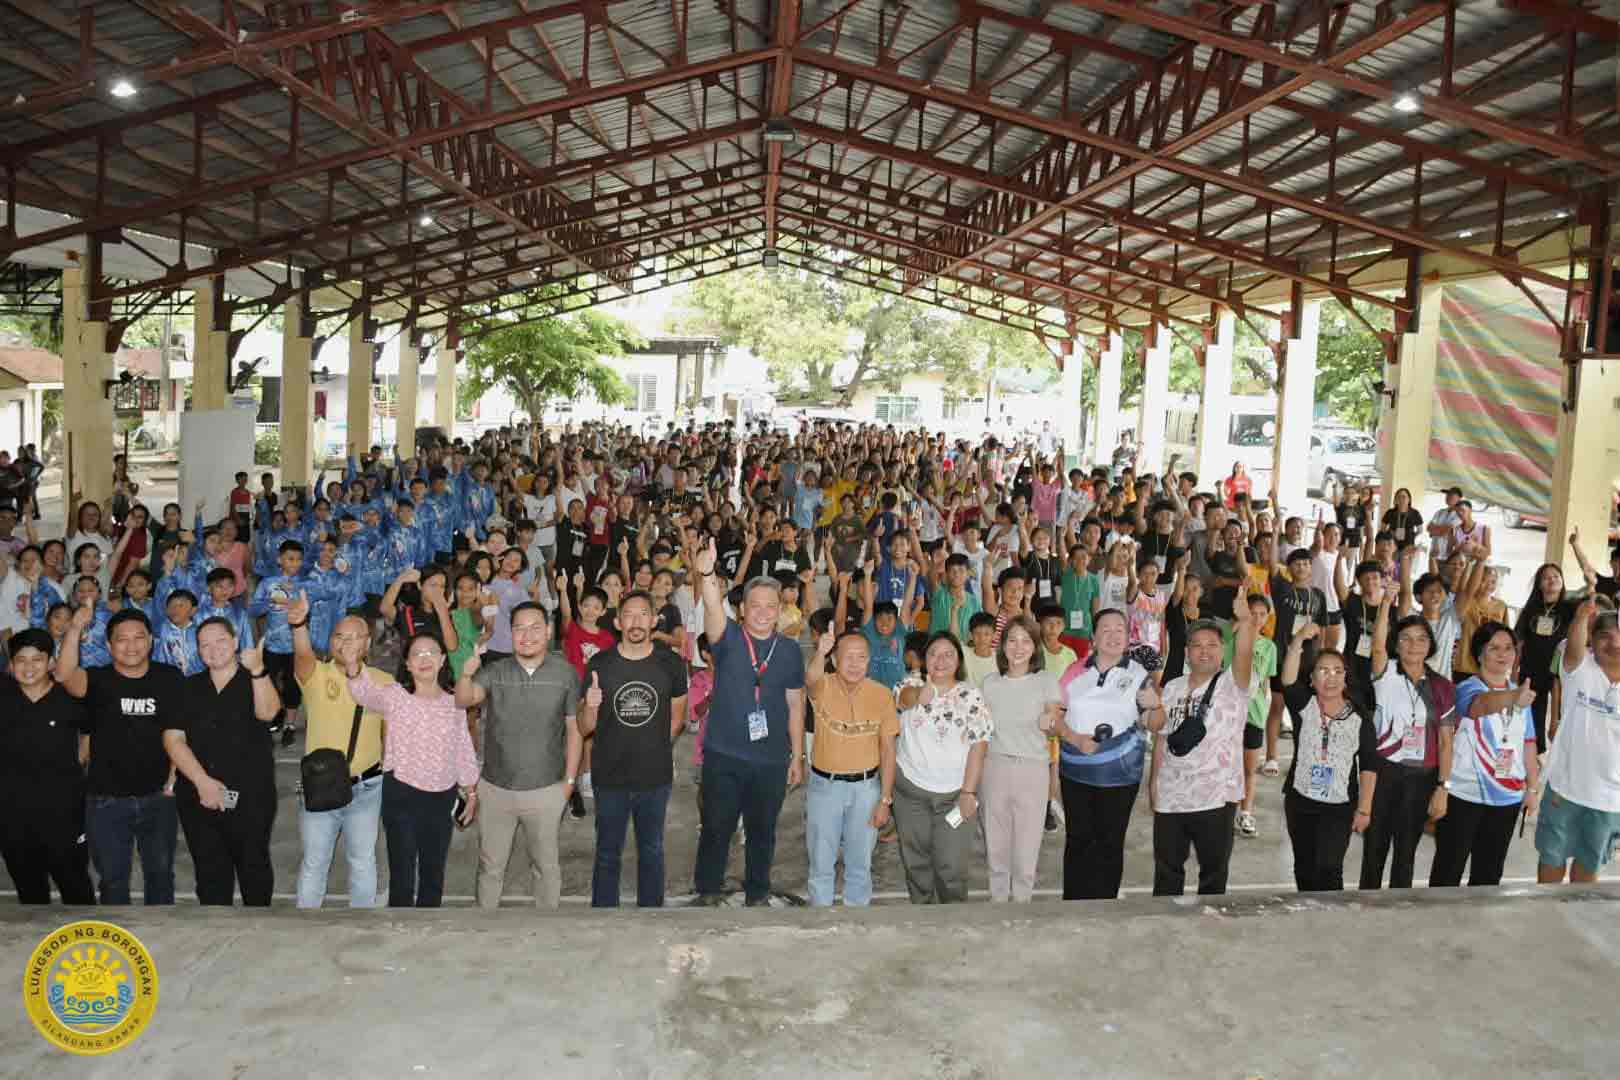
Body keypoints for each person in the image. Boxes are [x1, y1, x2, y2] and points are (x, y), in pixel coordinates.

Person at [691, 538, 806, 907]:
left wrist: (798, 756)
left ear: (780, 610)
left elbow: (795, 703)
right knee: (716, 829)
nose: (762, 612)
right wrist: (708, 572)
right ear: (741, 609)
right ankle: (707, 892)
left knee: (763, 832)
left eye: (769, 606)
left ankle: (757, 894)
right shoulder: (726, 638)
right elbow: (711, 605)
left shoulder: (788, 650)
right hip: (724, 755)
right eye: (754, 605)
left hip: (771, 760)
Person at [454, 602, 582, 909]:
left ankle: (547, 934)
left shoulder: (565, 674)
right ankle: (484, 932)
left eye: (535, 627)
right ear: (510, 634)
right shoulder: (495, 672)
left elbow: (575, 729)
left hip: (547, 790)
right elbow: (464, 700)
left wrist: (569, 782)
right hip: (496, 790)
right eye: (519, 629)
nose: (527, 635)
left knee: (546, 868)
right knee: (490, 868)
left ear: (549, 631)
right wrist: (465, 675)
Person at [56, 607, 185, 905]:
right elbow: (63, 675)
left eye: (139, 637)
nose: (131, 646)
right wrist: (74, 628)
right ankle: (118, 946)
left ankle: (158, 942)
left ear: (151, 641)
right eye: (122, 639)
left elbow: (179, 731)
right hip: (106, 800)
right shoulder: (97, 679)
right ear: (109, 645)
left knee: (161, 876)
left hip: (158, 798)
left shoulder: (169, 677)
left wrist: (172, 780)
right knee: (113, 881)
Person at [349, 631, 480, 908]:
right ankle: (399, 933)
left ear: (443, 659)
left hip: (442, 795)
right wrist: (353, 667)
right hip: (402, 793)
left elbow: (463, 746)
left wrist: (470, 790)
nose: (424, 659)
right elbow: (364, 694)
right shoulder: (396, 696)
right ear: (407, 664)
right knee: (402, 872)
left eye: (431, 652)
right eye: (416, 654)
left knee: (434, 871)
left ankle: (427, 935)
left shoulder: (454, 701)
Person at [580, 591, 688, 908]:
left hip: (654, 777)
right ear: (617, 622)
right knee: (607, 852)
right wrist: (591, 706)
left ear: (655, 620)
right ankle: (603, 916)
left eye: (643, 614)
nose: (636, 621)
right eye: (629, 614)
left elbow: (677, 717)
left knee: (652, 850)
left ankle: (651, 916)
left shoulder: (670, 663)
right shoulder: (601, 664)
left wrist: (651, 747)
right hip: (609, 776)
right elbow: (585, 727)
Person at [162, 617, 280, 905]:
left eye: (221, 641)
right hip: (199, 796)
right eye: (205, 645)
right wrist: (202, 782)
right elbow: (173, 739)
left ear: (236, 642)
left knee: (254, 868)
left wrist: (257, 671)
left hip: (250, 796)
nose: (213, 649)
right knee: (210, 872)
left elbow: (268, 713)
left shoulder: (255, 679)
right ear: (198, 651)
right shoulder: (187, 687)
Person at [1151, 583, 1258, 897]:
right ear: (1186, 653)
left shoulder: (1233, 685)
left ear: (1222, 650)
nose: (1204, 650)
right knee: (1167, 871)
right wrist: (1154, 784)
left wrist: (1247, 621)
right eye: (1197, 645)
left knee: (1213, 875)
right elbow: (1161, 738)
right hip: (1172, 792)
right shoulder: (1171, 688)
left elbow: (1245, 652)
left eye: (1212, 644)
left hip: (1216, 796)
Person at [287, 591, 389, 909]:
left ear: (367, 645)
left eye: (355, 637)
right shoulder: (317, 675)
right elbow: (303, 655)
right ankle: (307, 925)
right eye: (339, 636)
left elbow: (391, 735)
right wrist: (299, 624)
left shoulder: (384, 681)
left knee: (362, 860)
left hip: (368, 787)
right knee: (315, 862)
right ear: (331, 643)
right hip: (321, 786)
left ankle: (361, 929)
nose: (347, 643)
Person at [1055, 608, 1162, 899]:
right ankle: (1074, 904)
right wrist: (1074, 738)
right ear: (1093, 636)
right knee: (1078, 841)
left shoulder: (1139, 674)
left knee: (1110, 843)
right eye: (1106, 629)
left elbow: (1155, 723)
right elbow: (1053, 719)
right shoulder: (1074, 671)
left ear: (1128, 637)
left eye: (1120, 629)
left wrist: (1155, 705)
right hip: (1075, 773)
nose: (1113, 635)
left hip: (1121, 777)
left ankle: (1105, 908)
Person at [1429, 622, 1539, 888]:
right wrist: (1513, 696)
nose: (1503, 654)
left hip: (1507, 797)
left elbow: (1528, 743)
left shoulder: (1520, 693)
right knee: (1448, 870)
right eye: (1494, 648)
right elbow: (1479, 706)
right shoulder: (1468, 687)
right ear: (1479, 654)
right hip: (1464, 794)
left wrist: (1533, 788)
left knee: (1489, 875)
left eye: (1509, 648)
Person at [887, 631, 994, 904]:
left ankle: (953, 918)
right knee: (916, 863)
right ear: (924, 659)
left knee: (952, 867)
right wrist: (924, 692)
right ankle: (922, 917)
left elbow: (979, 745)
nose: (941, 660)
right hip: (910, 792)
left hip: (954, 796)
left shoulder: (971, 695)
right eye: (934, 654)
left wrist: (969, 792)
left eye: (949, 654)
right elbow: (905, 699)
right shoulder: (909, 684)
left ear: (958, 660)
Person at [1361, 600, 1457, 890]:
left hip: (1421, 778)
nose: (1413, 645)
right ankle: (1366, 907)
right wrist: (1385, 607)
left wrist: (1443, 787)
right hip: (1385, 773)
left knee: (1406, 852)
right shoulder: (1385, 673)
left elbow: (1445, 741)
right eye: (1405, 639)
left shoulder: (1442, 687)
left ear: (1430, 644)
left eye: (1421, 638)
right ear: (1396, 644)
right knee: (1374, 848)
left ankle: (1398, 911)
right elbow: (1377, 647)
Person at [1276, 622, 1379, 892]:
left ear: (1346, 677)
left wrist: (1365, 809)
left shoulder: (1360, 717)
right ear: (1311, 678)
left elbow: (1368, 765)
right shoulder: (1303, 705)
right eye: (1323, 670)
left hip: (1339, 805)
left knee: (1329, 867)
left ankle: (1330, 922)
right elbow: (1286, 680)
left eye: (1337, 671)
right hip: (1301, 802)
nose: (1330, 677)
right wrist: (1298, 640)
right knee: (1304, 865)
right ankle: (1307, 916)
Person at [0, 628, 97, 904]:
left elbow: (90, 730)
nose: (28, 667)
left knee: (75, 886)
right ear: (11, 664)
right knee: (29, 890)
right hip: (11, 813)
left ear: (51, 662)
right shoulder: (4, 694)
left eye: (37, 659)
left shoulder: (68, 697)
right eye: (21, 660)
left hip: (62, 811)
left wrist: (80, 757)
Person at [802, 627, 897, 907]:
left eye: (862, 657)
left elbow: (888, 750)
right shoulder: (824, 687)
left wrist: (885, 799)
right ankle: (821, 923)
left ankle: (857, 926)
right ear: (834, 660)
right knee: (821, 864)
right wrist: (820, 650)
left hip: (866, 790)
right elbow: (810, 679)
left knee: (860, 865)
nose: (855, 664)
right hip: (825, 787)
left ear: (869, 661)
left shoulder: (881, 695)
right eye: (848, 657)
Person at [978, 615, 1063, 902]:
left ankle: (1022, 907)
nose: (1018, 647)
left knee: (1026, 850)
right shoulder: (989, 683)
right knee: (996, 847)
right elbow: (978, 732)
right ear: (1001, 646)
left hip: (1032, 770)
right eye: (1012, 640)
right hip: (995, 768)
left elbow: (1055, 719)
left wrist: (1050, 721)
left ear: (1035, 647)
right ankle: (999, 904)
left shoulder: (1045, 680)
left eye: (1026, 640)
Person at [1536, 598, 1620, 884]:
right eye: (1604, 636)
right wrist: (1582, 617)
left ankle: (1574, 917)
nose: (1614, 643)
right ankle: (1544, 914)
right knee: (1551, 858)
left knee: (1589, 864)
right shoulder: (1580, 671)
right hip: (1565, 789)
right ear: (1591, 643)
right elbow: (1572, 649)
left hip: (1610, 800)